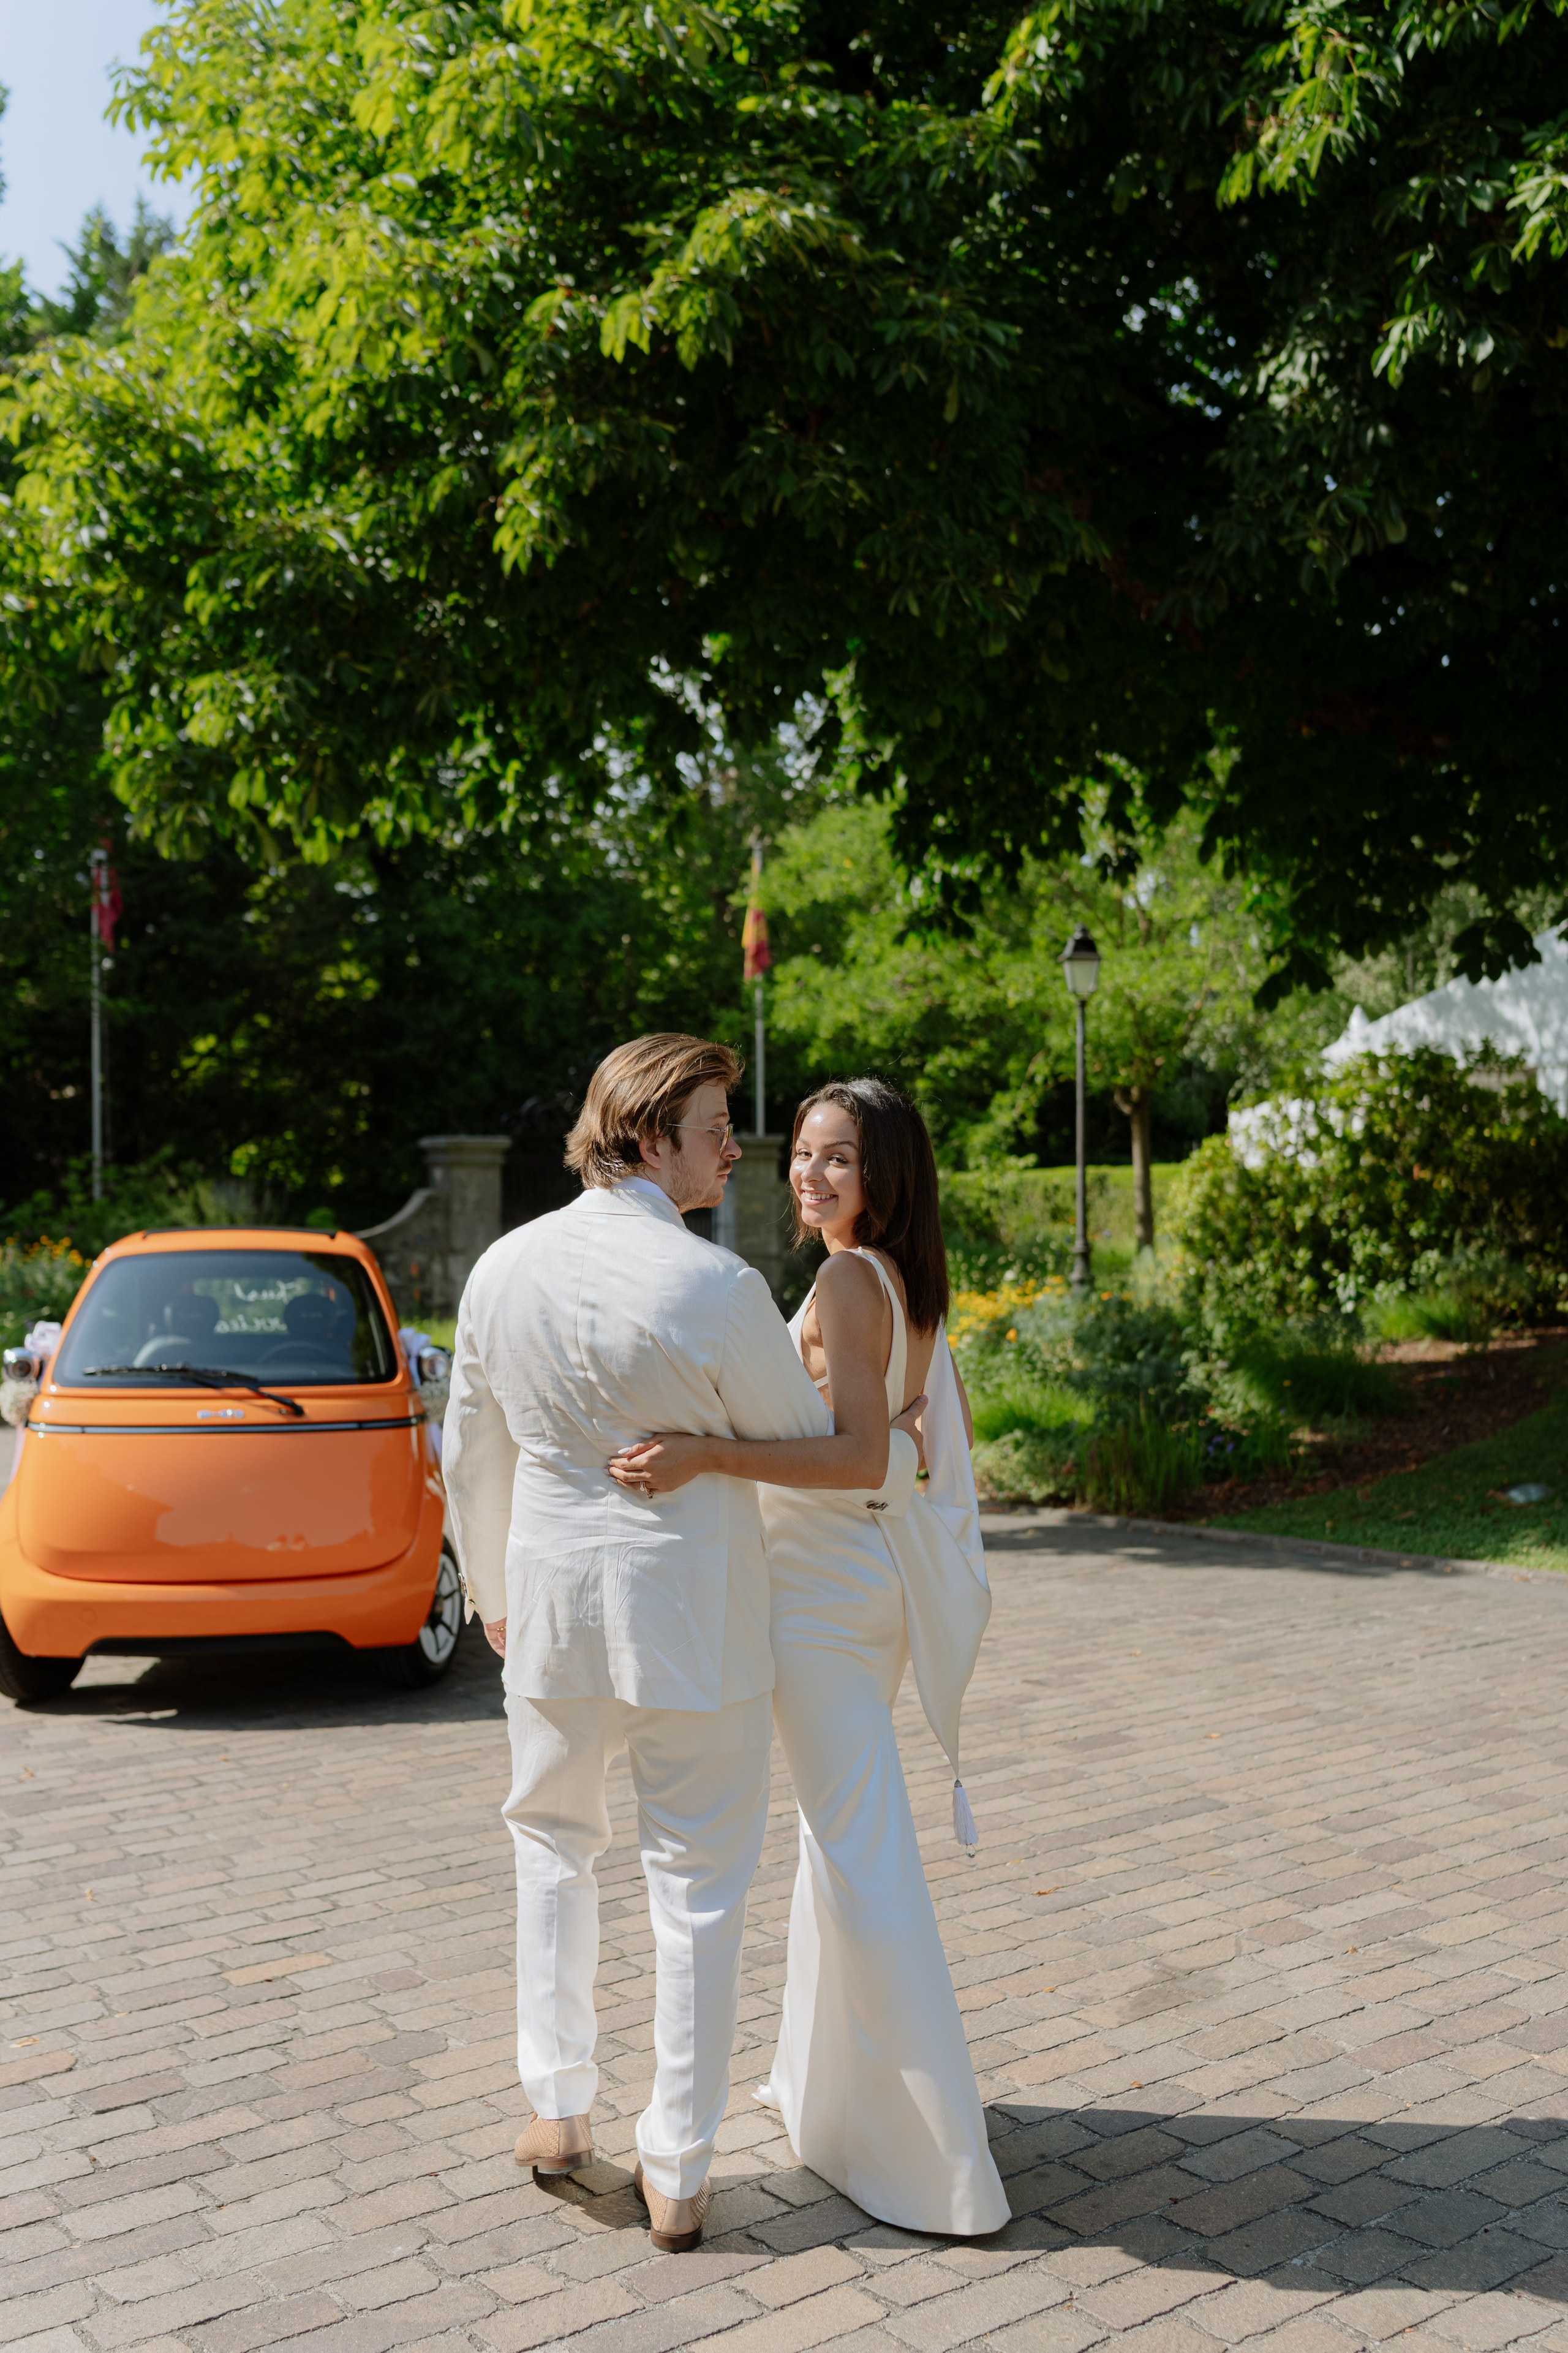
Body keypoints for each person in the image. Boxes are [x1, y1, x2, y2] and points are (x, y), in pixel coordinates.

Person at [442, 1035, 921, 2254]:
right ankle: (679, 2170)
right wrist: (902, 1430)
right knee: (697, 1889)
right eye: (715, 1125)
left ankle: (554, 2110)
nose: (734, 1147)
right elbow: (806, 1442)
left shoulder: (501, 1268)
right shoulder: (714, 1290)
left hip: (546, 1610)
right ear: (649, 1134)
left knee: (550, 1846)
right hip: (693, 1616)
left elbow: (467, 1454)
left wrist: (495, 1592)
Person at [610, 1079, 1008, 2237]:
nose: (809, 1174)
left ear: (883, 1174)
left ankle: (941, 2159)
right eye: (804, 1153)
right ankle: (839, 2103)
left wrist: (701, 1451)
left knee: (860, 1846)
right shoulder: (898, 1275)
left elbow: (848, 1455)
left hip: (825, 1600)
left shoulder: (846, 1276)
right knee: (835, 1845)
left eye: (839, 1159)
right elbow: (915, 1437)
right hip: (858, 1588)